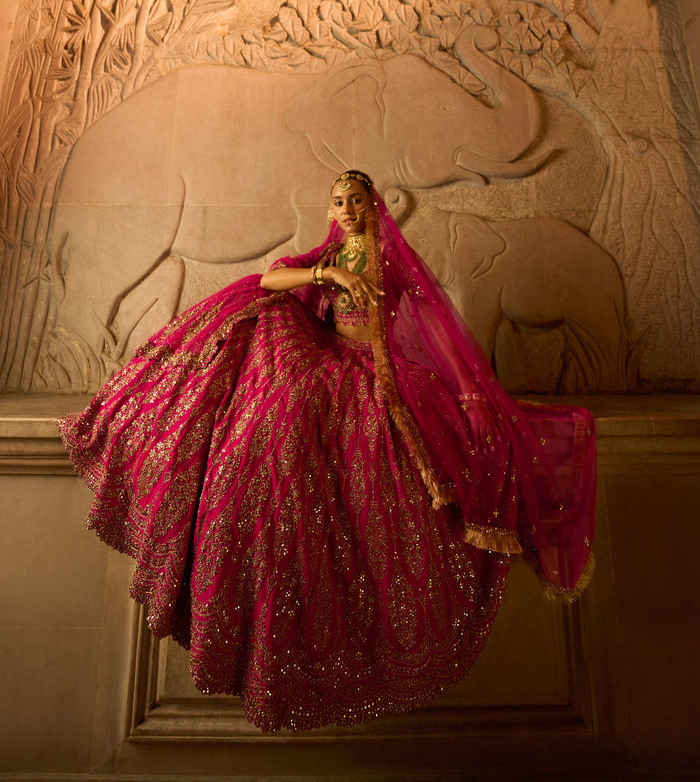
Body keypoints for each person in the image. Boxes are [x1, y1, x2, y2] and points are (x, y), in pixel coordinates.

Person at [58, 169, 596, 733]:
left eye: (356, 200)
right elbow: (269, 280)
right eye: (338, 201)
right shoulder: (330, 254)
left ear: (373, 205)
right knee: (264, 336)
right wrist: (325, 272)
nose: (346, 210)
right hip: (330, 356)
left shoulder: (390, 259)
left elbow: (435, 324)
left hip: (379, 368)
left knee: (394, 436)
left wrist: (470, 393)